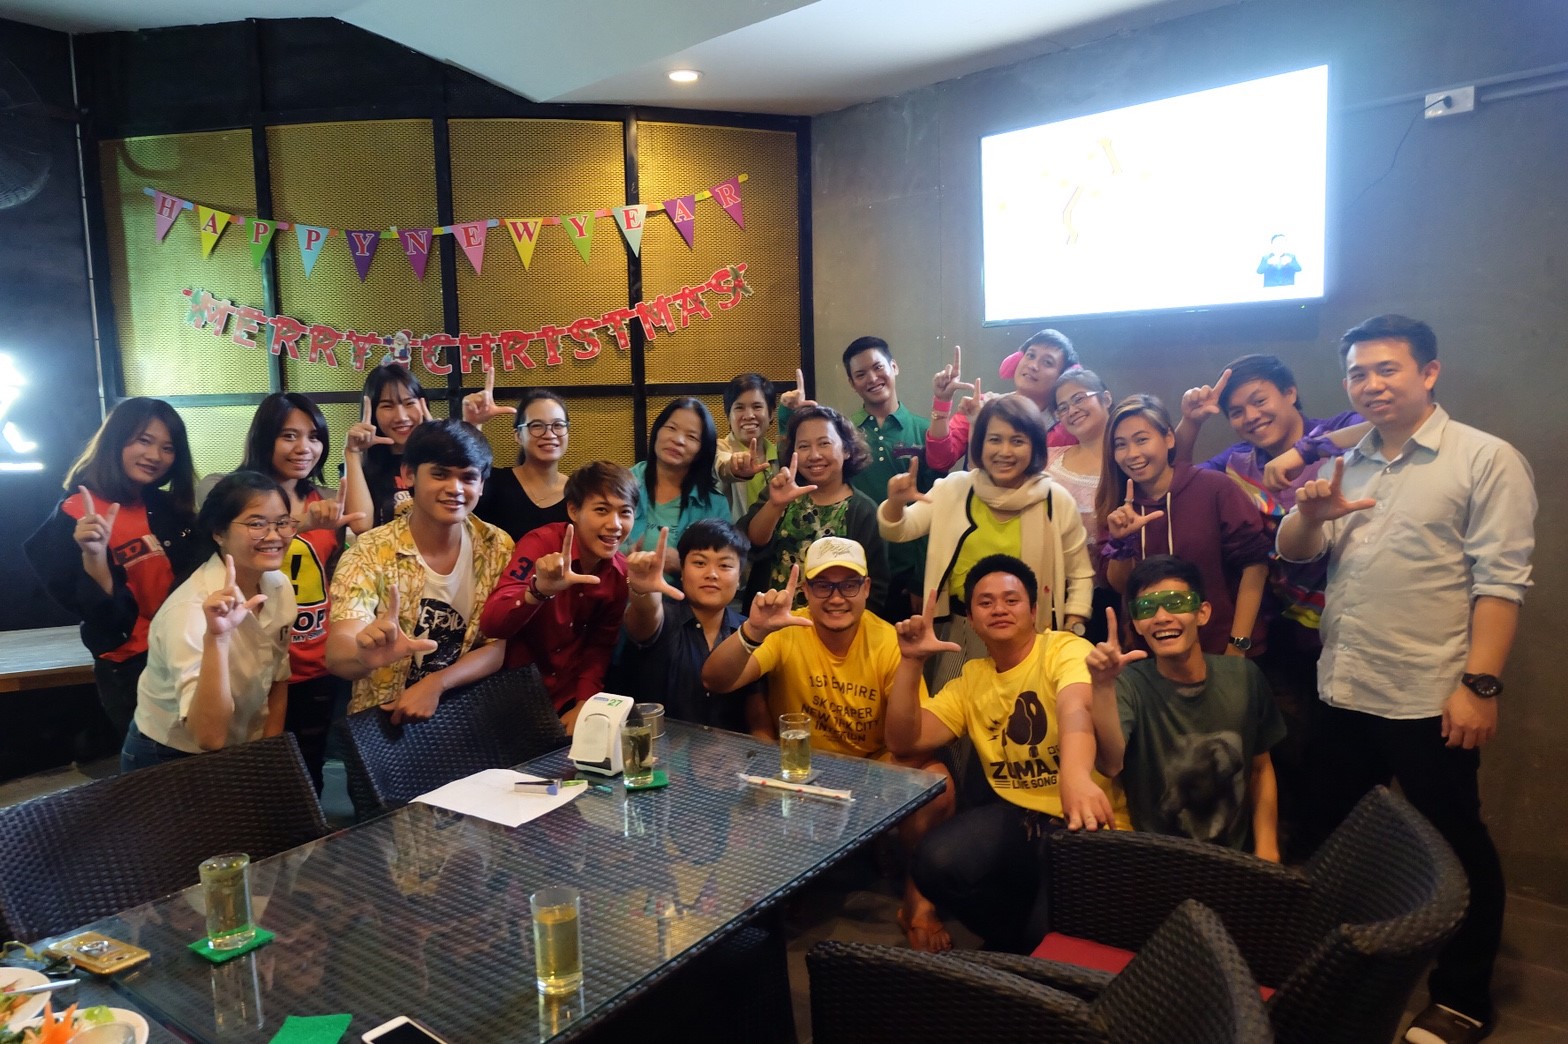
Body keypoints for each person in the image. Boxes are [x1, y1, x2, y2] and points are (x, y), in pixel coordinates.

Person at [1276, 315, 1535, 1044]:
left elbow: (1501, 583)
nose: (1371, 384)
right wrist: (1310, 516)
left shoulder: (1485, 458)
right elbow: (1295, 551)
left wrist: (1479, 686)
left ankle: (1462, 998)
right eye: (1358, 373)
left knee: (1456, 848)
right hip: (1344, 686)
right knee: (1329, 837)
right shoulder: (1347, 459)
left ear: (1429, 372)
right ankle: (1335, 972)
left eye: (1387, 369)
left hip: (1429, 696)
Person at [701, 537, 955, 952]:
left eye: (849, 585)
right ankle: (789, 879)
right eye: (823, 585)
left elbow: (909, 742)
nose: (836, 598)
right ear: (806, 590)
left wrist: (912, 663)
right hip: (799, 770)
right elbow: (715, 679)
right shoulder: (789, 629)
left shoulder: (889, 641)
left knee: (938, 784)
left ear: (867, 588)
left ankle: (918, 900)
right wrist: (752, 631)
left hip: (874, 768)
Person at [1172, 353, 1363, 858]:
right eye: (1237, 411)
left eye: (1260, 401)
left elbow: (1379, 427)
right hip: (1279, 628)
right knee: (1288, 750)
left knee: (1344, 761)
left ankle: (1337, 866)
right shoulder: (1237, 463)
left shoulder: (1336, 432)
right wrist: (1191, 425)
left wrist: (1302, 452)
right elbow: (1181, 479)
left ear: (1290, 393)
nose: (1251, 417)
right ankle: (1288, 864)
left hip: (1348, 625)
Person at [886, 555, 1125, 953]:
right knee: (934, 863)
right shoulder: (972, 679)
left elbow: (1076, 708)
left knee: (1045, 938)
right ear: (971, 619)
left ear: (1033, 611)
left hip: (1083, 821)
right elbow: (903, 742)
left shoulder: (1063, 649)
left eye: (1011, 600)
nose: (999, 608)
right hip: (1020, 822)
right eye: (985, 602)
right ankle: (1020, 941)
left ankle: (1028, 944)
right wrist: (911, 662)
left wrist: (1075, 777)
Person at [1066, 555, 1284, 858]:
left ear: (1202, 613)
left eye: (1176, 603)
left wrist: (1268, 849)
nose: (1161, 616)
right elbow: (1111, 764)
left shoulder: (1244, 677)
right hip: (1159, 860)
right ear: (1137, 624)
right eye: (1146, 608)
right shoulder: (1130, 684)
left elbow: (1261, 770)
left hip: (1236, 860)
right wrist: (1102, 685)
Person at [879, 394, 1092, 691]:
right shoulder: (954, 489)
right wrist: (895, 503)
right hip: (959, 628)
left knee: (1022, 714)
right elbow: (899, 530)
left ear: (1034, 446)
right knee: (952, 711)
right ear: (979, 443)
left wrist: (1072, 629)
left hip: (1030, 634)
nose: (1005, 451)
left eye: (1017, 441)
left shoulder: (1056, 500)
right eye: (994, 440)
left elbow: (1080, 574)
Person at [25, 397, 198, 744]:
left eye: (168, 448)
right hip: (131, 665)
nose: (155, 456)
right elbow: (101, 616)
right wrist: (94, 556)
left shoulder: (167, 506)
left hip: (186, 651)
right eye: (144, 441)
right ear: (115, 440)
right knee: (155, 765)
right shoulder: (76, 513)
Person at [328, 419, 513, 722]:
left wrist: (437, 683)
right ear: (409, 474)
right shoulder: (371, 551)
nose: (454, 489)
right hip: (382, 722)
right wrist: (364, 656)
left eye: (468, 477)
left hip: (463, 718)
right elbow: (338, 652)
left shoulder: (497, 546)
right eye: (440, 474)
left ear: (481, 485)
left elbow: (496, 646)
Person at [120, 472, 297, 771]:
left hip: (243, 742)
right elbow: (208, 737)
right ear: (219, 532)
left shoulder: (278, 585)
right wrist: (218, 639)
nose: (274, 536)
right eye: (256, 524)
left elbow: (278, 676)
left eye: (282, 522)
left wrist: (270, 754)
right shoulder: (189, 611)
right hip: (170, 754)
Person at [235, 392, 362, 791]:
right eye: (289, 435)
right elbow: (230, 564)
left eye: (314, 436)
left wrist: (354, 455)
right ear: (265, 437)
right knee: (255, 773)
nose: (304, 447)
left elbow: (358, 536)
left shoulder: (323, 500)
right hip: (256, 662)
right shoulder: (238, 496)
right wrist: (297, 526)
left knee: (309, 772)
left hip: (315, 661)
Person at [1096, 394, 1271, 657]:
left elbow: (1255, 565)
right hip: (1151, 656)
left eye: (1141, 440)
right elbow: (1121, 586)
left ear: (1168, 438)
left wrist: (1238, 643)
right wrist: (1121, 543)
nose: (1132, 454)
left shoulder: (1213, 487)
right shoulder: (1117, 506)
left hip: (1223, 649)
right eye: (1120, 445)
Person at [782, 338, 942, 620]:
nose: (872, 378)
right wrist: (787, 415)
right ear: (851, 382)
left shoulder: (924, 431)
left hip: (908, 576)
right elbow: (796, 464)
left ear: (894, 367)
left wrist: (922, 579)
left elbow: (937, 508)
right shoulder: (843, 435)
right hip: (851, 574)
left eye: (878, 367)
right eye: (860, 374)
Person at [479, 461, 637, 732]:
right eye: (601, 510)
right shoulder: (540, 544)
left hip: (569, 698)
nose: (615, 524)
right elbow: (492, 624)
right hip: (513, 697)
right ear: (573, 510)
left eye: (625, 513)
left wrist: (584, 702)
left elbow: (599, 646)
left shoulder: (620, 572)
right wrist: (538, 591)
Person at [739, 404, 889, 611]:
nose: (814, 455)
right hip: (770, 618)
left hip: (835, 623)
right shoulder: (781, 490)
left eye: (824, 443)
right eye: (803, 446)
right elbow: (749, 543)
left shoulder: (864, 511)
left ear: (846, 450)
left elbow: (875, 585)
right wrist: (775, 504)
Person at [613, 519, 752, 731]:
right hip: (657, 746)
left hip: (730, 751)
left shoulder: (749, 631)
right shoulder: (665, 618)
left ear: (740, 578)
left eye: (724, 565)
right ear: (683, 570)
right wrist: (642, 590)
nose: (712, 574)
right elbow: (645, 615)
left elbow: (757, 714)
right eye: (700, 563)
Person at [925, 331, 1080, 472]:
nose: (1033, 366)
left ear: (1063, 376)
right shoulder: (981, 405)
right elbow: (939, 461)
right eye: (1030, 355)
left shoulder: (1066, 425)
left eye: (1047, 362)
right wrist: (942, 402)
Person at [1046, 368, 1118, 643]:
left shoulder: (1129, 461)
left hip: (1111, 598)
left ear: (1106, 398)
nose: (1071, 411)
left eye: (1078, 399)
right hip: (1048, 594)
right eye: (1062, 408)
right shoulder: (1048, 459)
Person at [628, 397, 729, 573]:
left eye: (691, 437)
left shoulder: (715, 505)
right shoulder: (620, 485)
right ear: (657, 431)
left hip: (681, 591)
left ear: (702, 450)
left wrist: (683, 565)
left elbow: (725, 569)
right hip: (618, 589)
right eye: (671, 428)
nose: (678, 440)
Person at [341, 362, 433, 532]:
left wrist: (442, 445)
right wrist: (351, 452)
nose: (401, 417)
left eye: (409, 403)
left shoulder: (438, 457)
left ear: (423, 405)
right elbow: (360, 526)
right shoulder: (362, 467)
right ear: (373, 412)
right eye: (387, 406)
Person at [473, 387, 571, 541]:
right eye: (537, 425)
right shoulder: (492, 484)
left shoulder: (580, 492)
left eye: (558, 425)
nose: (549, 434)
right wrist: (473, 424)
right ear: (518, 435)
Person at [714, 373, 777, 522]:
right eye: (739, 408)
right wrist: (735, 466)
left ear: (771, 413)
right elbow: (721, 463)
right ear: (728, 415)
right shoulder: (716, 449)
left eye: (757, 407)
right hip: (731, 536)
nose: (749, 415)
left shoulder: (779, 455)